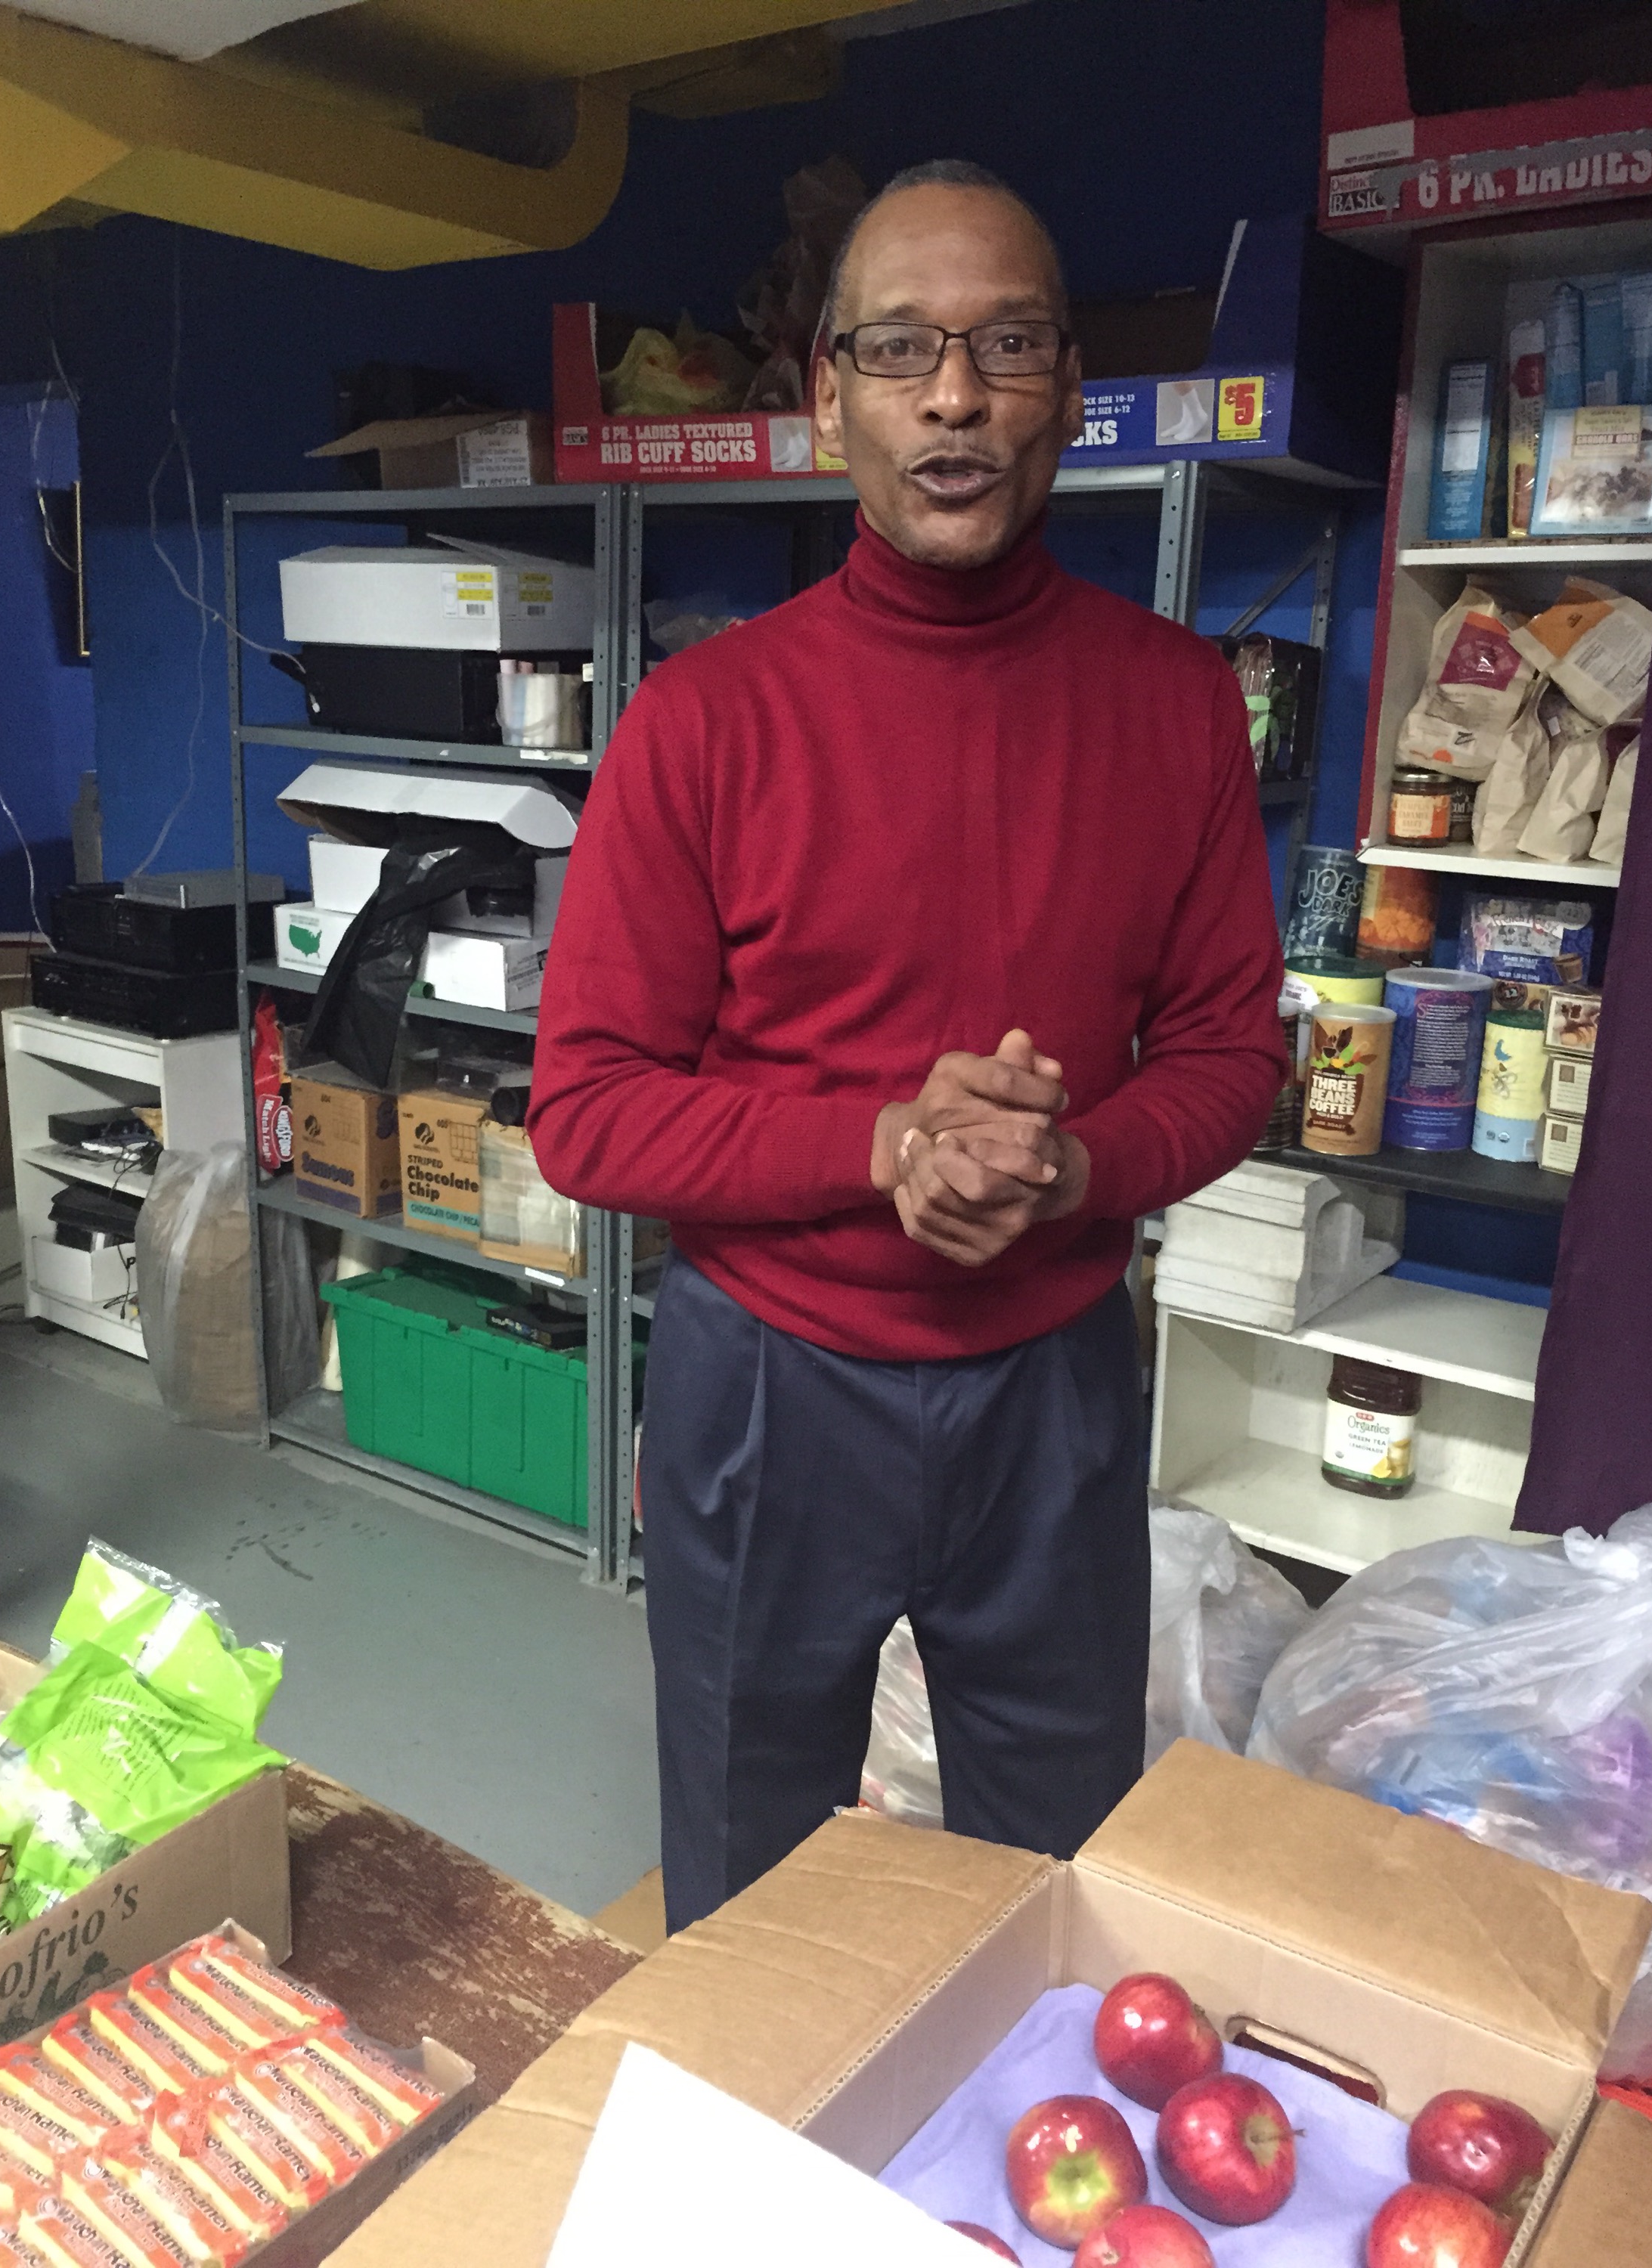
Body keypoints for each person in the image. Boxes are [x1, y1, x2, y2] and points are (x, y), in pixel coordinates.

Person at [528, 160, 1286, 1932]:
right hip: (768, 1387)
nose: (955, 397)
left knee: (1054, 1881)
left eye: (1007, 346)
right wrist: (886, 1146)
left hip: (1054, 1387)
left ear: (1069, 391)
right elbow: (589, 1112)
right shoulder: (703, 721)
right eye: (898, 350)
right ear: (829, 398)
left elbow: (1228, 1055)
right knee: (748, 1889)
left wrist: (1073, 1165)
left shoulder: (1179, 704)